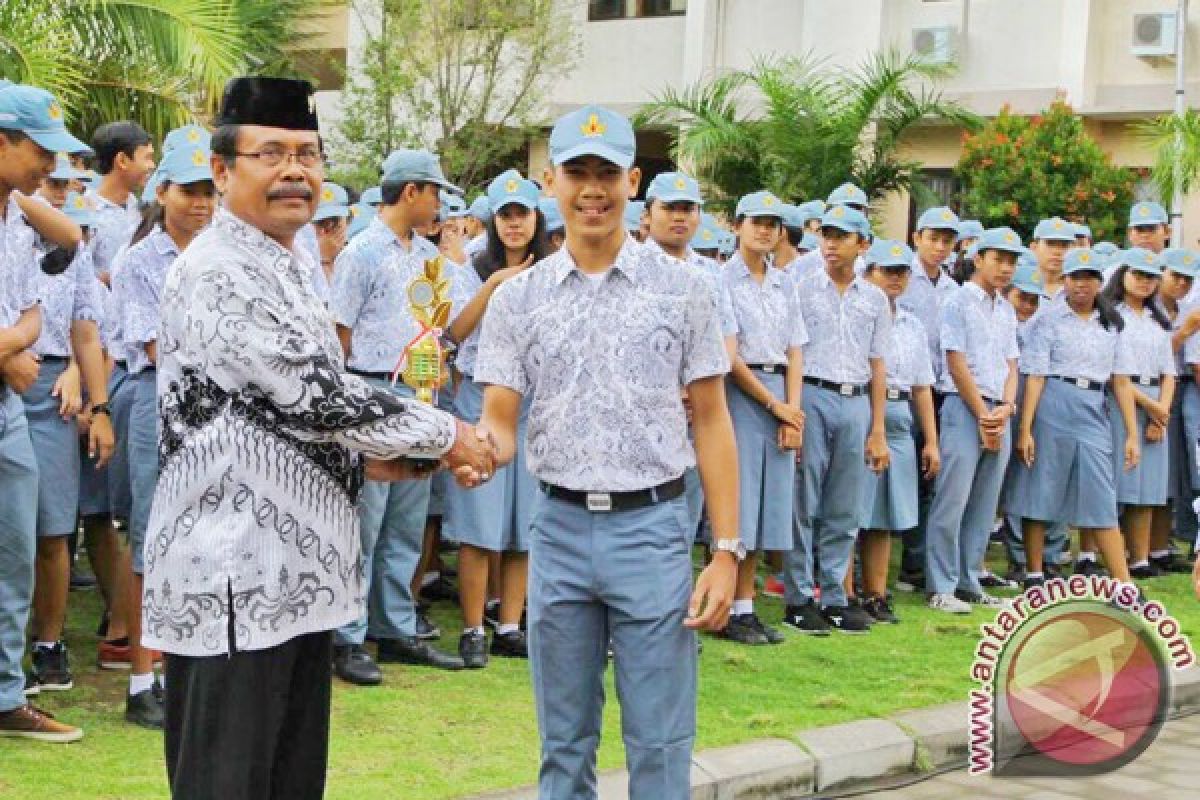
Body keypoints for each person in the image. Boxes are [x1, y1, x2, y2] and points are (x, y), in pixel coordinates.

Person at [142, 76, 494, 800]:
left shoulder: (292, 264)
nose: (294, 171)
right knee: (228, 785)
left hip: (298, 580)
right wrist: (447, 433)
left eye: (307, 153)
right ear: (222, 169)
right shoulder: (216, 270)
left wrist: (374, 460)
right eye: (270, 153)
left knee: (287, 782)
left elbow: (272, 417)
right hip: (233, 582)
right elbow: (310, 391)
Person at [475, 104, 738, 800]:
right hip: (556, 530)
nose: (592, 189)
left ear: (634, 181)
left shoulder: (683, 290)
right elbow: (500, 420)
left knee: (658, 743)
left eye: (607, 174)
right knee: (563, 745)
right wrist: (467, 450)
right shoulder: (518, 299)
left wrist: (727, 550)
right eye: (576, 173)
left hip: (651, 529)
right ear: (549, 181)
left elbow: (711, 421)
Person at [329, 146, 467, 684]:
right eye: (435, 194)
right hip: (368, 388)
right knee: (364, 521)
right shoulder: (361, 252)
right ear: (411, 192)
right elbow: (338, 335)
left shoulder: (427, 258)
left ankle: (394, 626)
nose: (439, 206)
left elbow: (433, 330)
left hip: (417, 392)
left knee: (405, 521)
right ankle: (349, 635)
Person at [114, 140, 219, 727]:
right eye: (191, 191)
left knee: (202, 540)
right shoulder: (139, 261)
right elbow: (160, 348)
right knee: (152, 543)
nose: (202, 203)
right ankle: (139, 678)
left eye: (209, 191)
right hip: (159, 406)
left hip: (216, 414)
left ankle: (185, 667)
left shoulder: (222, 255)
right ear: (163, 193)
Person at [0, 82, 91, 743]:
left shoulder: (16, 220)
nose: (49, 168)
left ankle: (5, 696)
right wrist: (7, 350)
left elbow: (33, 313)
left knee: (14, 551)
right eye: (39, 151)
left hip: (7, 405)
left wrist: (11, 348)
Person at [443, 169, 547, 668]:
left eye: (521, 214)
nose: (513, 225)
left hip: (532, 403)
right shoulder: (470, 267)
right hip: (480, 396)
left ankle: (509, 623)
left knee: (524, 523)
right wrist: (498, 283)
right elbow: (454, 332)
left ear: (535, 218)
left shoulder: (554, 268)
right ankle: (471, 628)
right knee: (479, 523)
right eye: (504, 215)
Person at [23, 184, 114, 697]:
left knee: (54, 528)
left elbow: (87, 330)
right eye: (53, 184)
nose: (62, 193)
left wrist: (92, 395)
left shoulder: (73, 249)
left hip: (55, 386)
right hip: (12, 372)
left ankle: (49, 643)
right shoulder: (13, 233)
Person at [784, 205, 891, 635]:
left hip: (855, 399)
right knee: (803, 501)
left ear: (862, 244)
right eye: (826, 234)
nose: (830, 243)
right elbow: (791, 350)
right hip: (812, 391)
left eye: (841, 236)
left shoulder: (875, 298)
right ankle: (797, 596)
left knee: (844, 506)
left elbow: (879, 364)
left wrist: (878, 428)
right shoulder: (800, 286)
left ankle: (834, 596)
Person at [1010, 247, 1138, 590]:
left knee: (1101, 492)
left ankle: (1122, 582)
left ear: (1100, 283)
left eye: (1089, 278)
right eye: (1075, 277)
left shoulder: (1112, 323)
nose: (1082, 285)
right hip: (1054, 397)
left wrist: (1131, 434)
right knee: (1041, 483)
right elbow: (1036, 375)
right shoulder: (1047, 319)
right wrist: (1026, 429)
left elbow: (1121, 379)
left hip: (1094, 403)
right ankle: (1035, 572)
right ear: (1064, 280)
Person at [924, 227, 1022, 613]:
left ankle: (969, 579)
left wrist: (1007, 407)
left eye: (1011, 261)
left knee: (984, 503)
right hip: (965, 408)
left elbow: (1013, 363)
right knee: (953, 499)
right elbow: (955, 360)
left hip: (999, 409)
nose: (1005, 268)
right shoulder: (957, 301)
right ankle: (941, 585)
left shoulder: (1007, 308)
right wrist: (983, 414)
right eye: (998, 259)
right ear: (978, 258)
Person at [722, 190, 803, 645]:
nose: (766, 230)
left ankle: (747, 605)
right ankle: (730, 604)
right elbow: (731, 356)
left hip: (780, 392)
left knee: (769, 506)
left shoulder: (784, 282)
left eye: (773, 223)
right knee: (740, 506)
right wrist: (775, 406)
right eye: (757, 221)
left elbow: (796, 347)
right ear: (738, 225)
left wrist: (792, 411)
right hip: (742, 393)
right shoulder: (724, 280)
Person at [856, 240, 940, 624]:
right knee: (852, 507)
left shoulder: (912, 324)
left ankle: (876, 592)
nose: (894, 278)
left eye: (901, 271)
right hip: (862, 407)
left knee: (889, 511)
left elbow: (922, 386)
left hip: (900, 411)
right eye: (886, 270)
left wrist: (932, 441)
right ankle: (842, 591)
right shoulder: (856, 313)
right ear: (869, 271)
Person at [894, 207, 961, 593]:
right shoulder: (903, 277)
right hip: (907, 386)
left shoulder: (952, 288)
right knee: (900, 471)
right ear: (917, 237)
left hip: (941, 390)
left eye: (946, 241)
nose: (939, 247)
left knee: (931, 474)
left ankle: (917, 562)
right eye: (933, 238)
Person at [1102, 249, 1175, 579]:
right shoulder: (1111, 316)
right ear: (1123, 276)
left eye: (1151, 277)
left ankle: (1140, 557)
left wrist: (1162, 411)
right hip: (1123, 398)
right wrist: (1151, 405)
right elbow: (1114, 372)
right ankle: (1095, 554)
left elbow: (1169, 372)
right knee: (1117, 480)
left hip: (1157, 398)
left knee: (1149, 486)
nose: (1145, 283)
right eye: (1138, 275)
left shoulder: (1158, 320)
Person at [312, 181, 350, 289]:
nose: (328, 228)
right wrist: (324, 259)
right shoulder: (303, 259)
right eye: (321, 222)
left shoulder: (354, 256)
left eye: (335, 221)